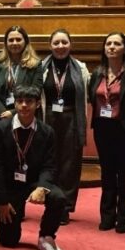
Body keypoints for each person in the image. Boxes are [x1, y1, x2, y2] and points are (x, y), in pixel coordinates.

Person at [0, 85, 67, 250]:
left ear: (37, 104)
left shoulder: (47, 132)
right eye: (20, 101)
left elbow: (50, 166)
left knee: (58, 197)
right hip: (10, 185)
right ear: (15, 104)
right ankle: (3, 223)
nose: (24, 105)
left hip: (34, 182)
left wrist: (42, 187)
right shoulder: (0, 129)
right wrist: (1, 201)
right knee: (8, 241)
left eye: (29, 102)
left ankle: (46, 237)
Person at [88, 32, 125, 233]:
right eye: (108, 43)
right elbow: (93, 98)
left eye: (116, 44)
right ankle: (107, 215)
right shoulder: (97, 73)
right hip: (103, 128)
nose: (111, 47)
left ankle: (124, 216)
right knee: (108, 173)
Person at [40, 29, 90, 225]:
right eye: (56, 43)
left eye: (64, 42)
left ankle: (66, 206)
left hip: (71, 118)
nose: (60, 47)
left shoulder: (81, 68)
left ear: (71, 44)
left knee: (69, 164)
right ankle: (51, 202)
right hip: (48, 117)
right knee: (50, 161)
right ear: (50, 46)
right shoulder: (41, 67)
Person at [0, 25, 42, 121]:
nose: (14, 43)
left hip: (25, 114)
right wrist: (1, 112)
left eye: (18, 39)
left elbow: (36, 91)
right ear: (6, 43)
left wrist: (13, 112)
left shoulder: (35, 64)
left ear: (26, 41)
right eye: (11, 40)